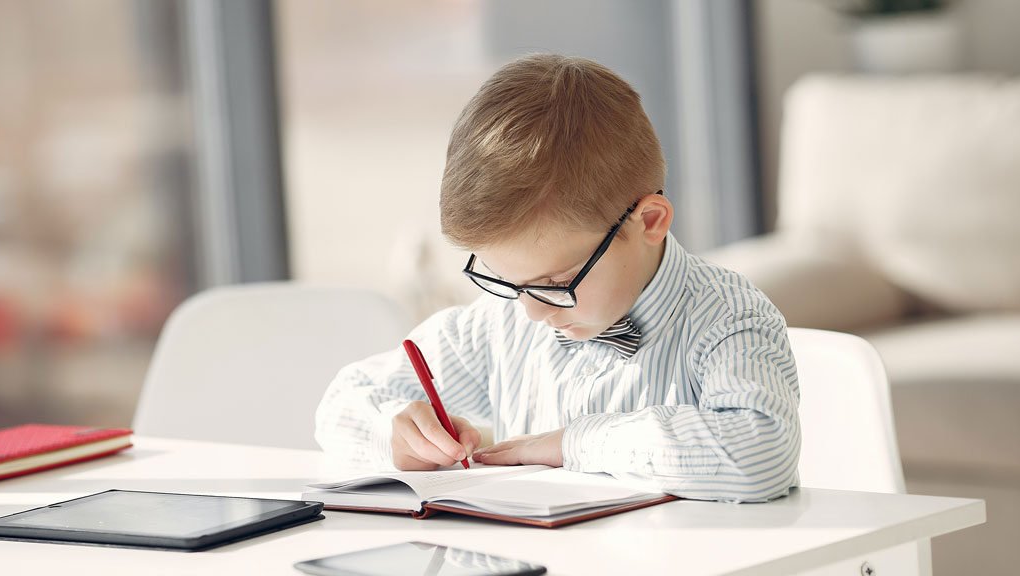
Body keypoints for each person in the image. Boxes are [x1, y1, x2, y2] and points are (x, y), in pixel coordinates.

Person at [315, 54, 799, 502]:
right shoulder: (503, 326)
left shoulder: (728, 318)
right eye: (509, 282)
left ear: (649, 222)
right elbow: (339, 406)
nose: (532, 311)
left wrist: (575, 443)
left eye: (555, 283)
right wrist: (396, 434)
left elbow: (761, 453)